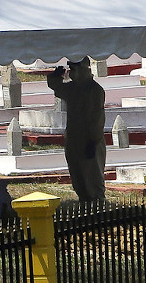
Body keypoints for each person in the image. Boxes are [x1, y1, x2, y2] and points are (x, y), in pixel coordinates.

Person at [47, 58, 106, 202]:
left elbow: (97, 118)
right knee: (77, 173)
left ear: (83, 69)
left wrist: (94, 140)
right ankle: (84, 200)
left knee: (92, 174)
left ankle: (97, 202)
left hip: (90, 139)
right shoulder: (73, 88)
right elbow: (57, 88)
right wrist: (56, 76)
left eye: (73, 69)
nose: (71, 72)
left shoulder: (94, 90)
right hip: (74, 138)